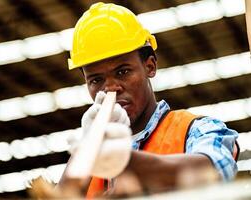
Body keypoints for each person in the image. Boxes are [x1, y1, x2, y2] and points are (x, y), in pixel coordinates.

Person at [59, 2, 239, 198]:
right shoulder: (86, 158)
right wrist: (87, 147)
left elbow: (213, 171)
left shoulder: (197, 129)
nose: (110, 88)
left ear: (150, 66)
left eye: (123, 71)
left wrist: (123, 159)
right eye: (96, 80)